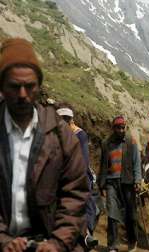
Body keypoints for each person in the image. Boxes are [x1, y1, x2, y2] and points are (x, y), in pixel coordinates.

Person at [0, 38, 89, 251]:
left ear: (39, 86)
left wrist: (57, 242)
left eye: (29, 86)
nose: (23, 94)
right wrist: (3, 240)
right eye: (15, 86)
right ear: (2, 86)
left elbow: (75, 193)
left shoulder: (60, 135)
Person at [56, 106, 98, 249]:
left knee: (87, 203)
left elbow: (84, 160)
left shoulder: (80, 135)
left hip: (79, 174)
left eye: (67, 119)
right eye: (62, 119)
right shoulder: (56, 135)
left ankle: (87, 234)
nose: (64, 122)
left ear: (71, 119)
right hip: (60, 174)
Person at [98, 116, 141, 252]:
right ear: (113, 128)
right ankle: (112, 246)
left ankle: (132, 241)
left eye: (123, 127)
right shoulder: (106, 143)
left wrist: (138, 180)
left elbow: (136, 162)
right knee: (112, 214)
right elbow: (103, 165)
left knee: (131, 214)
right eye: (118, 128)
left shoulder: (131, 142)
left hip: (127, 182)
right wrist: (101, 184)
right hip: (111, 182)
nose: (121, 130)